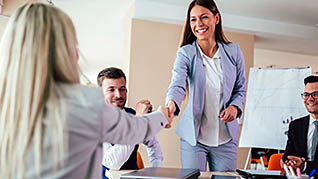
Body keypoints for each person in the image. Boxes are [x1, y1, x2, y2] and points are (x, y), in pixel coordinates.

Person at [0, 3, 172, 179]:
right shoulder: (86, 104)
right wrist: (161, 115)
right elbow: (135, 131)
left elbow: (147, 141)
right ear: (69, 52)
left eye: (122, 89)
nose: (118, 95)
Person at [165, 0, 246, 172]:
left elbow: (240, 89)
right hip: (194, 138)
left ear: (216, 18)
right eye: (193, 20)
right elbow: (178, 83)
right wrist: (171, 103)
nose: (198, 24)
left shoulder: (234, 52)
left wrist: (235, 107)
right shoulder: (186, 53)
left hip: (225, 138)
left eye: (204, 17)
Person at [97, 67, 163, 178]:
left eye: (122, 89)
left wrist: (157, 172)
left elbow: (153, 145)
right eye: (111, 90)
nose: (118, 95)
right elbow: (113, 163)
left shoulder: (133, 114)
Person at [282, 75, 318, 175]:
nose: (310, 99)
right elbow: (288, 155)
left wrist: (304, 166)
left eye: (315, 94)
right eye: (306, 95)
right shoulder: (296, 125)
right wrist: (289, 161)